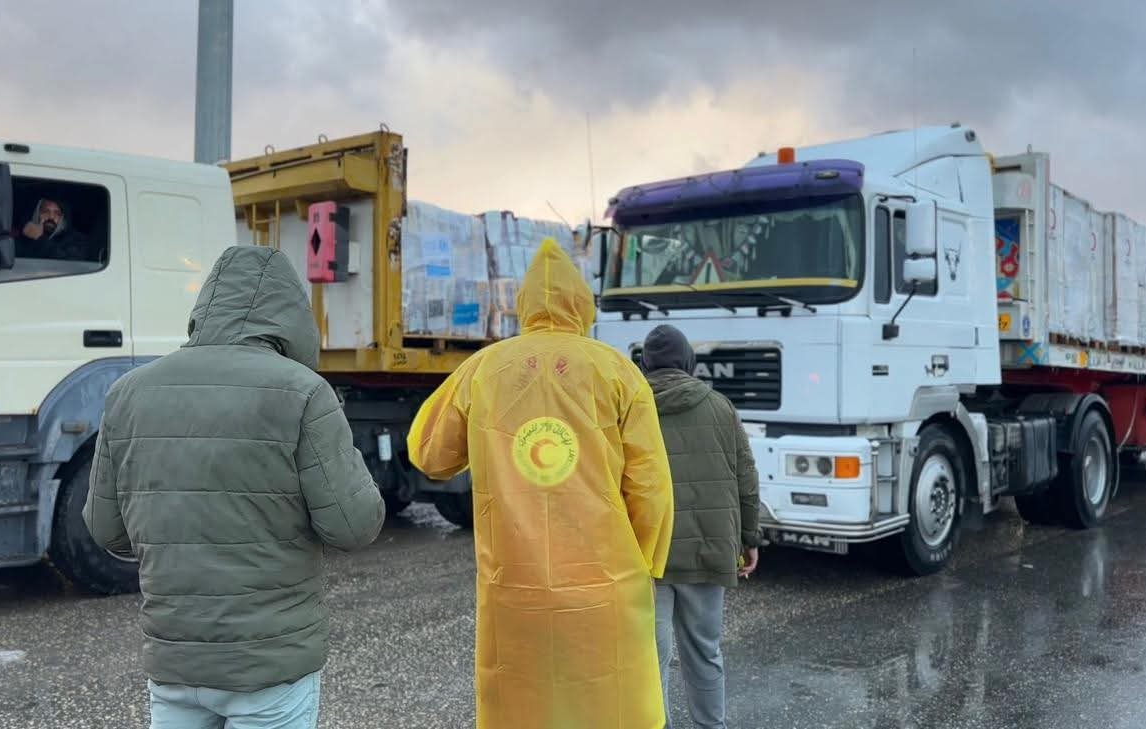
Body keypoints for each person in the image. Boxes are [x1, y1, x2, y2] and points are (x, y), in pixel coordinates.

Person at [83, 245, 385, 729]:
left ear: (204, 307)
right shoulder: (304, 393)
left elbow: (105, 529)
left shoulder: (127, 393)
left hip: (175, 661)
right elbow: (354, 526)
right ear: (291, 318)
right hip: (269, 664)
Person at [407, 238, 675, 729]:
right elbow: (650, 485)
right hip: (604, 579)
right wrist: (644, 563)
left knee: (520, 707)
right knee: (610, 705)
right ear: (583, 304)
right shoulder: (618, 371)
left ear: (523, 304)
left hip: (514, 582)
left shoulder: (483, 369)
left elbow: (430, 455)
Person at [641, 324, 760, 729]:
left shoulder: (631, 407)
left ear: (645, 364)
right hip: (709, 549)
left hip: (649, 555)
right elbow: (746, 477)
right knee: (705, 653)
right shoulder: (720, 406)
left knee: (651, 660)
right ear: (689, 362)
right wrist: (749, 538)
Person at [16, 197, 93, 260]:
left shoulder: (77, 240)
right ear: (37, 213)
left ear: (63, 218)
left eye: (57, 213)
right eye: (45, 211)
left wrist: (40, 239)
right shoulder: (23, 238)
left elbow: (72, 264)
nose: (51, 217)